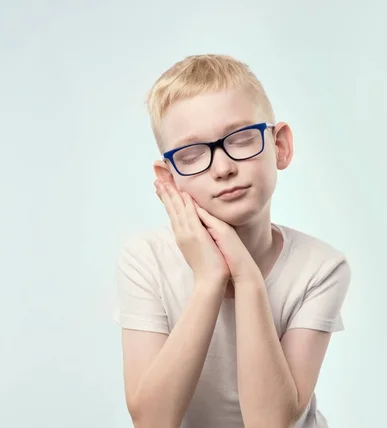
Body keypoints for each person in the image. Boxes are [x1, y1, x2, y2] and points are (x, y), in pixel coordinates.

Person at [114, 54, 351, 428]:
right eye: (192, 154)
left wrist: (246, 278)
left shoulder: (320, 267)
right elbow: (153, 421)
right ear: (169, 178)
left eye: (241, 139)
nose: (223, 168)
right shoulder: (146, 259)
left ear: (281, 146)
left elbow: (271, 424)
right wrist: (209, 279)